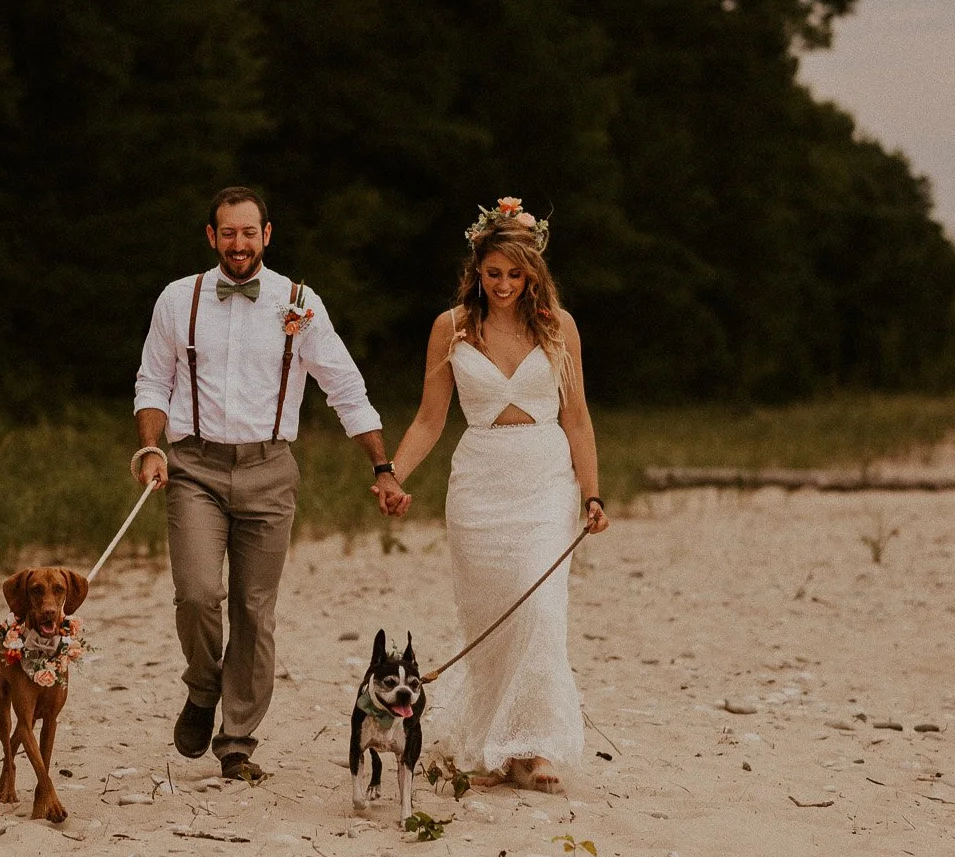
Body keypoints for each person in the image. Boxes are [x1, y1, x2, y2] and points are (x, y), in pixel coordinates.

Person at [133, 186, 405, 780]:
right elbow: (153, 381)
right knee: (198, 594)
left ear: (267, 235)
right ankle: (203, 688)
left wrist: (381, 468)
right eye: (227, 233)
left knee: (255, 611)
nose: (238, 244)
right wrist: (152, 446)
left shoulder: (300, 303)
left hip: (270, 470)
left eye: (248, 233)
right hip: (194, 467)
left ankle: (236, 742)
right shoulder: (180, 300)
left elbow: (344, 386)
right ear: (211, 236)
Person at [380, 199, 608, 792]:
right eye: (493, 273)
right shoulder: (451, 328)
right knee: (492, 616)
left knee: (538, 608)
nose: (504, 285)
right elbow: (431, 419)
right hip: (479, 483)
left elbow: (577, 416)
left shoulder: (558, 326)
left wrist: (593, 493)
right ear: (476, 270)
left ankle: (535, 746)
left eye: (515, 273)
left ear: (533, 271)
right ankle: (503, 744)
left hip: (543, 478)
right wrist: (392, 473)